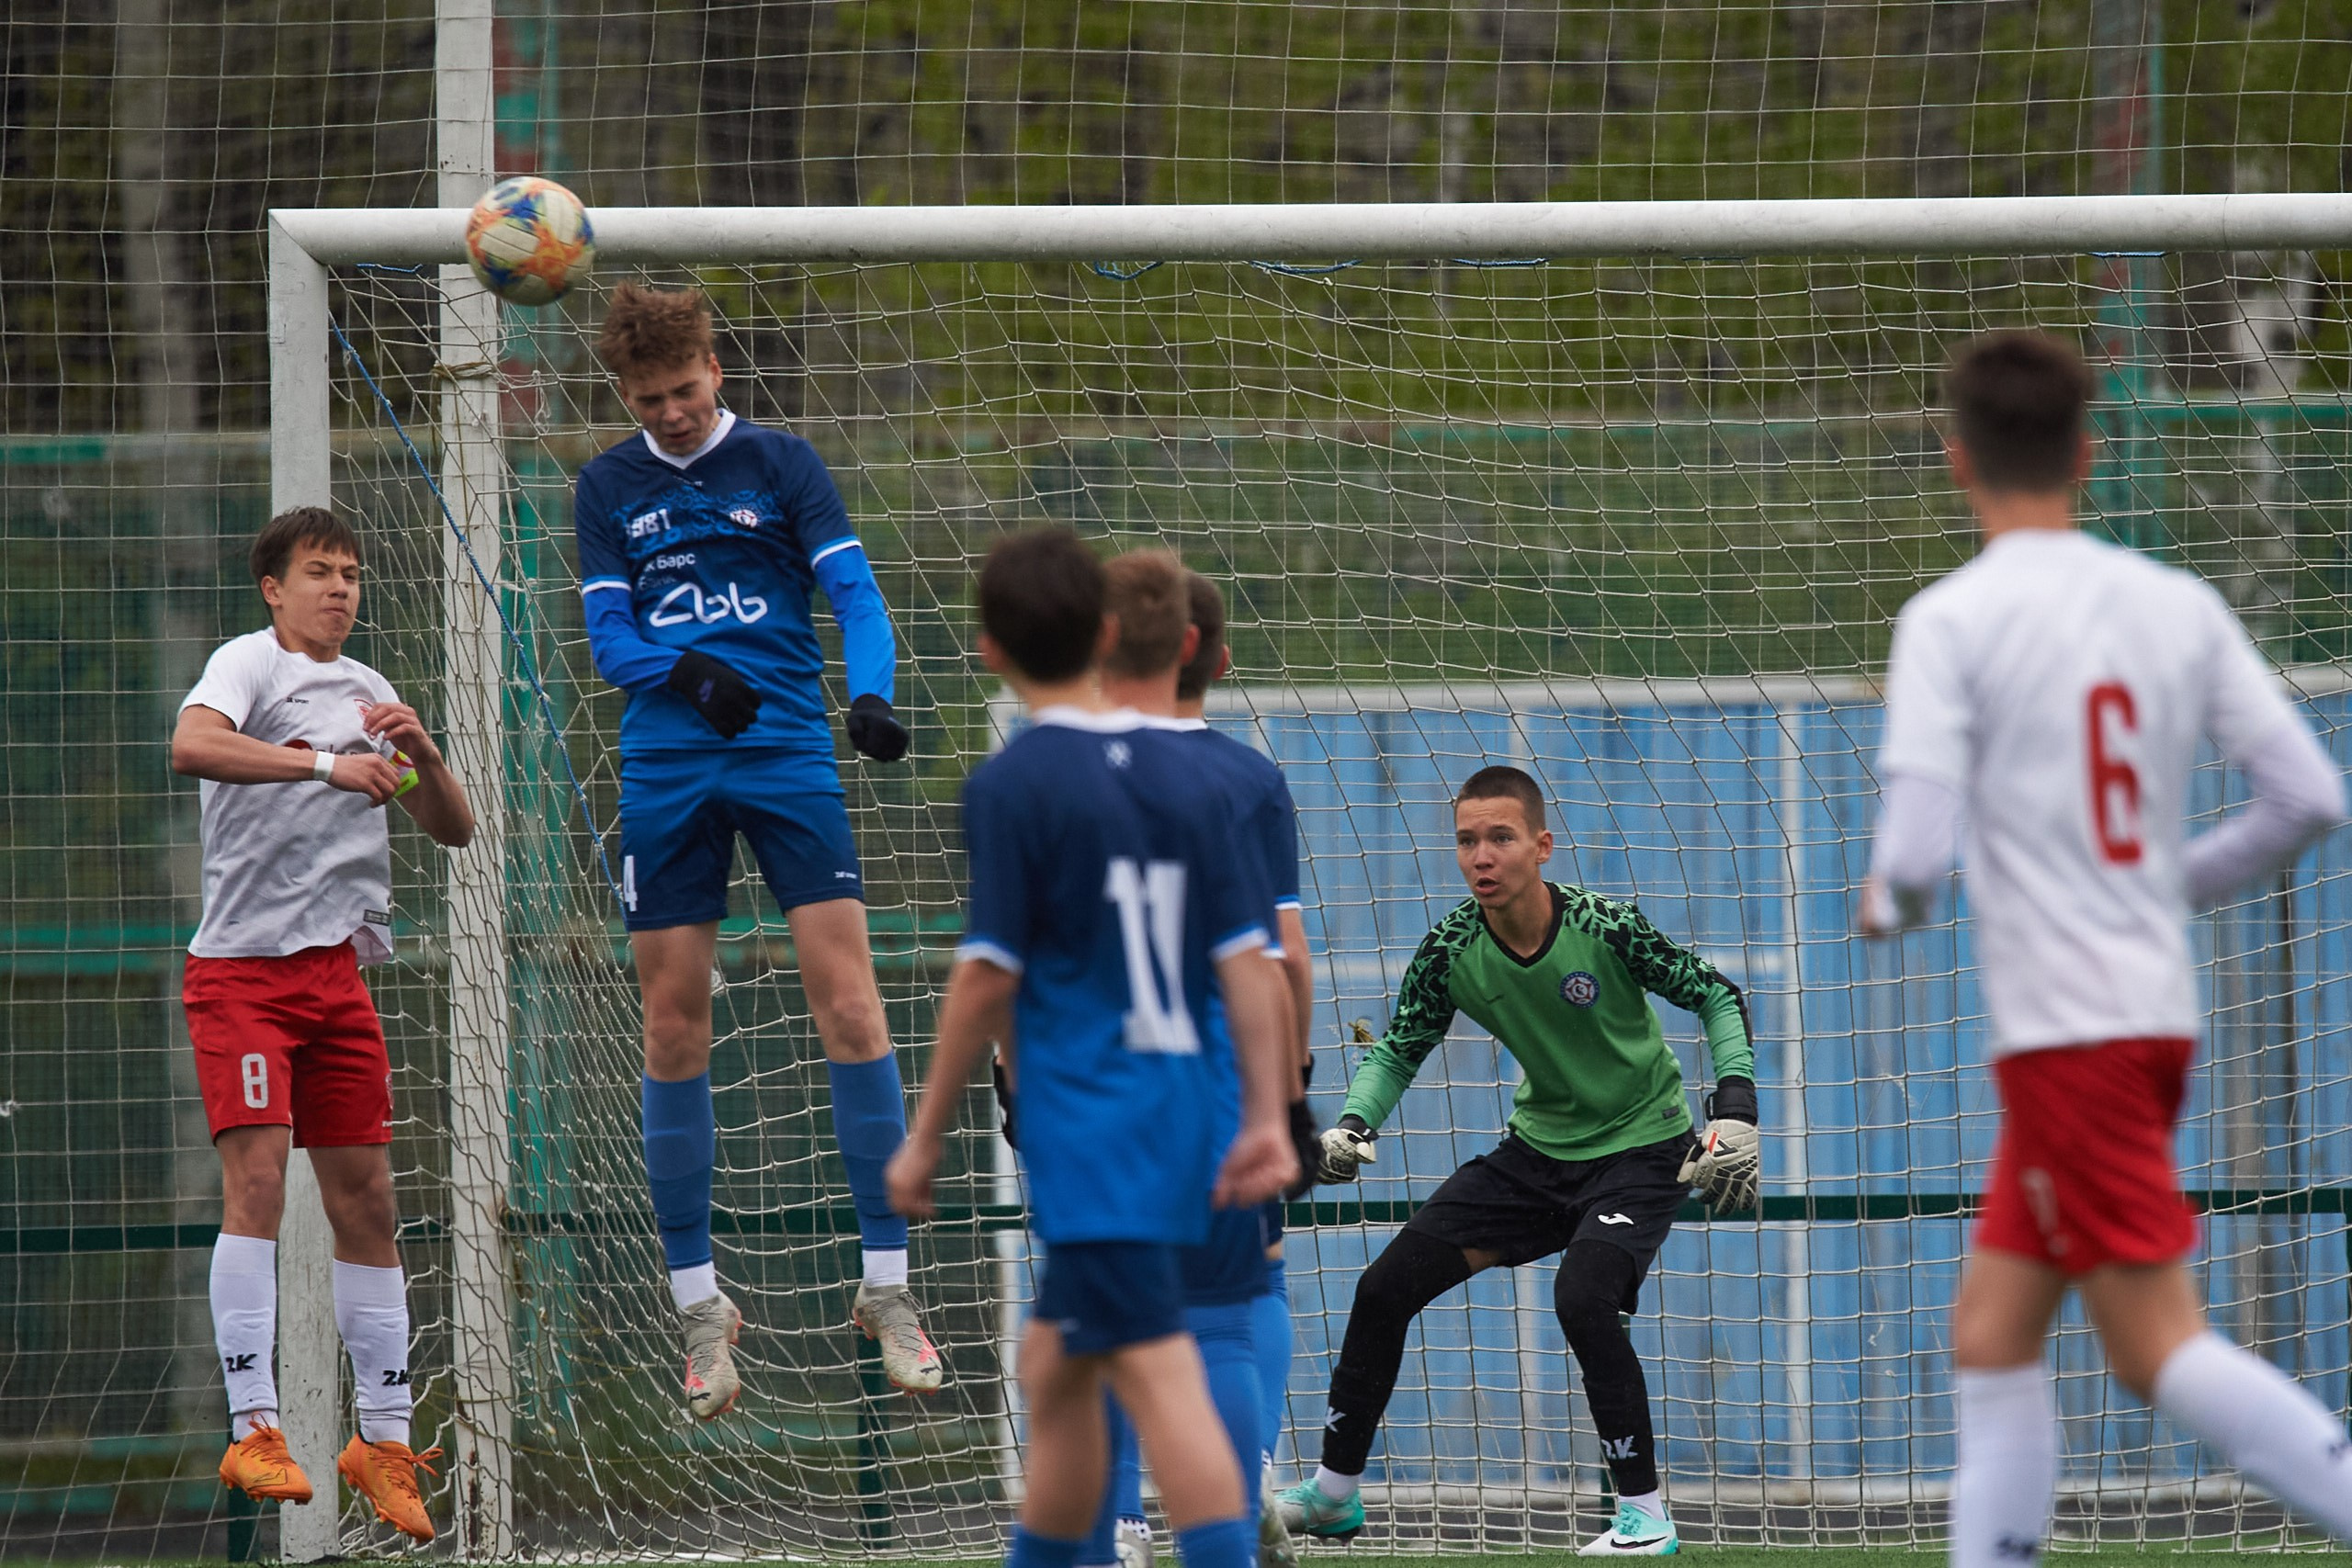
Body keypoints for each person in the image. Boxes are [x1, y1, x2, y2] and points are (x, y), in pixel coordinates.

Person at [1859, 329, 2352, 1567]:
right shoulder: (2176, 605)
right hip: (2143, 1020)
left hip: (2070, 1038)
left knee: (2155, 1347)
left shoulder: (1950, 619)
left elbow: (1912, 859)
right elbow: (2306, 796)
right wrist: (2163, 883)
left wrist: (1888, 908)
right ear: (2087, 451)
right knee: (1992, 1330)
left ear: (1955, 456)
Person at [885, 526, 1299, 1568]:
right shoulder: (1192, 776)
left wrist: (925, 1134)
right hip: (1189, 1107)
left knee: (1159, 1369)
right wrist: (1266, 1113)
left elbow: (989, 974)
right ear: (1103, 633)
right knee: (1056, 1366)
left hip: (1097, 1128)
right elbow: (1252, 963)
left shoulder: (1015, 784)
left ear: (988, 647)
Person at [572, 282, 936, 1412]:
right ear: (626, 396)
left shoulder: (782, 464)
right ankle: (699, 1308)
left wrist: (868, 696)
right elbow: (609, 636)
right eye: (649, 400)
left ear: (715, 371)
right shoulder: (607, 486)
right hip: (669, 767)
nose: (672, 414)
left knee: (852, 1007)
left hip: (785, 757)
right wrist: (684, 673)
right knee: (672, 1024)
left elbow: (855, 596)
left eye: (685, 391)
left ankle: (887, 1289)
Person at [1278, 764, 1759, 1557]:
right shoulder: (1451, 948)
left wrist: (1734, 1109)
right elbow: (1398, 1047)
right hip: (1536, 1157)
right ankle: (1333, 1495)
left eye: (1500, 837)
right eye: (1467, 840)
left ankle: (1645, 1516)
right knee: (1383, 1287)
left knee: (1583, 1296)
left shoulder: (1605, 926)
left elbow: (1716, 992)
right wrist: (1354, 1123)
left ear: (1542, 846)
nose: (1482, 855)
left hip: (1643, 1149)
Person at [172, 506, 477, 1542]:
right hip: (242, 979)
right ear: (275, 587)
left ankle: (383, 1445)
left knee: (371, 1203)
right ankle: (254, 1427)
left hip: (337, 979)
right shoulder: (247, 664)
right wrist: (321, 765)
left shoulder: (370, 691)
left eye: (349, 572)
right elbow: (191, 744)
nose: (339, 588)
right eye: (318, 571)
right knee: (258, 1185)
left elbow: (453, 828)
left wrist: (422, 753)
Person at [1071, 558, 1320, 1568]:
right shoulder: (1247, 780)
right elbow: (1284, 955)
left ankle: (1120, 1525)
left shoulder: (1056, 769)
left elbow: (1012, 957)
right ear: (1212, 657)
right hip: (1218, 1078)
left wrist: (1011, 1086)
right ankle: (1242, 1483)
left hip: (1096, 1077)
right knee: (1239, 1299)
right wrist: (1290, 1097)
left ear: (1102, 646)